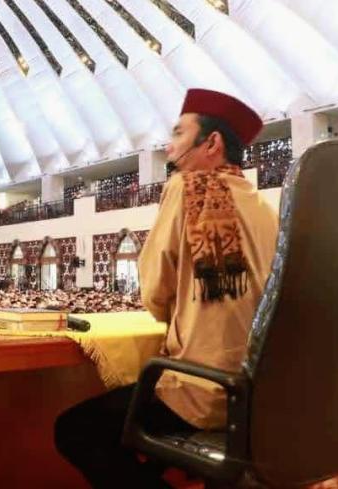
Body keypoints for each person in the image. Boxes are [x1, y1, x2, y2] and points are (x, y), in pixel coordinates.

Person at [55, 89, 278, 487]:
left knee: (75, 430)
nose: (169, 146)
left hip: (202, 389)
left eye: (178, 133)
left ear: (212, 143)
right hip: (260, 398)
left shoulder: (186, 188)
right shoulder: (266, 208)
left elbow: (154, 292)